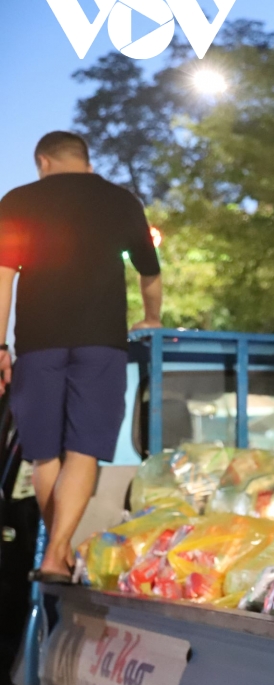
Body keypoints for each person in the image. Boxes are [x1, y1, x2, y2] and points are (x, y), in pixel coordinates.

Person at [0, 131, 162, 582]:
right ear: (86, 162)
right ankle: (57, 554)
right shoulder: (121, 201)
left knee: (44, 456)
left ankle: (58, 552)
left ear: (43, 161)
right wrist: (152, 316)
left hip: (37, 343)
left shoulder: (18, 201)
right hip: (102, 343)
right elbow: (150, 272)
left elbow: (3, 277)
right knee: (83, 449)